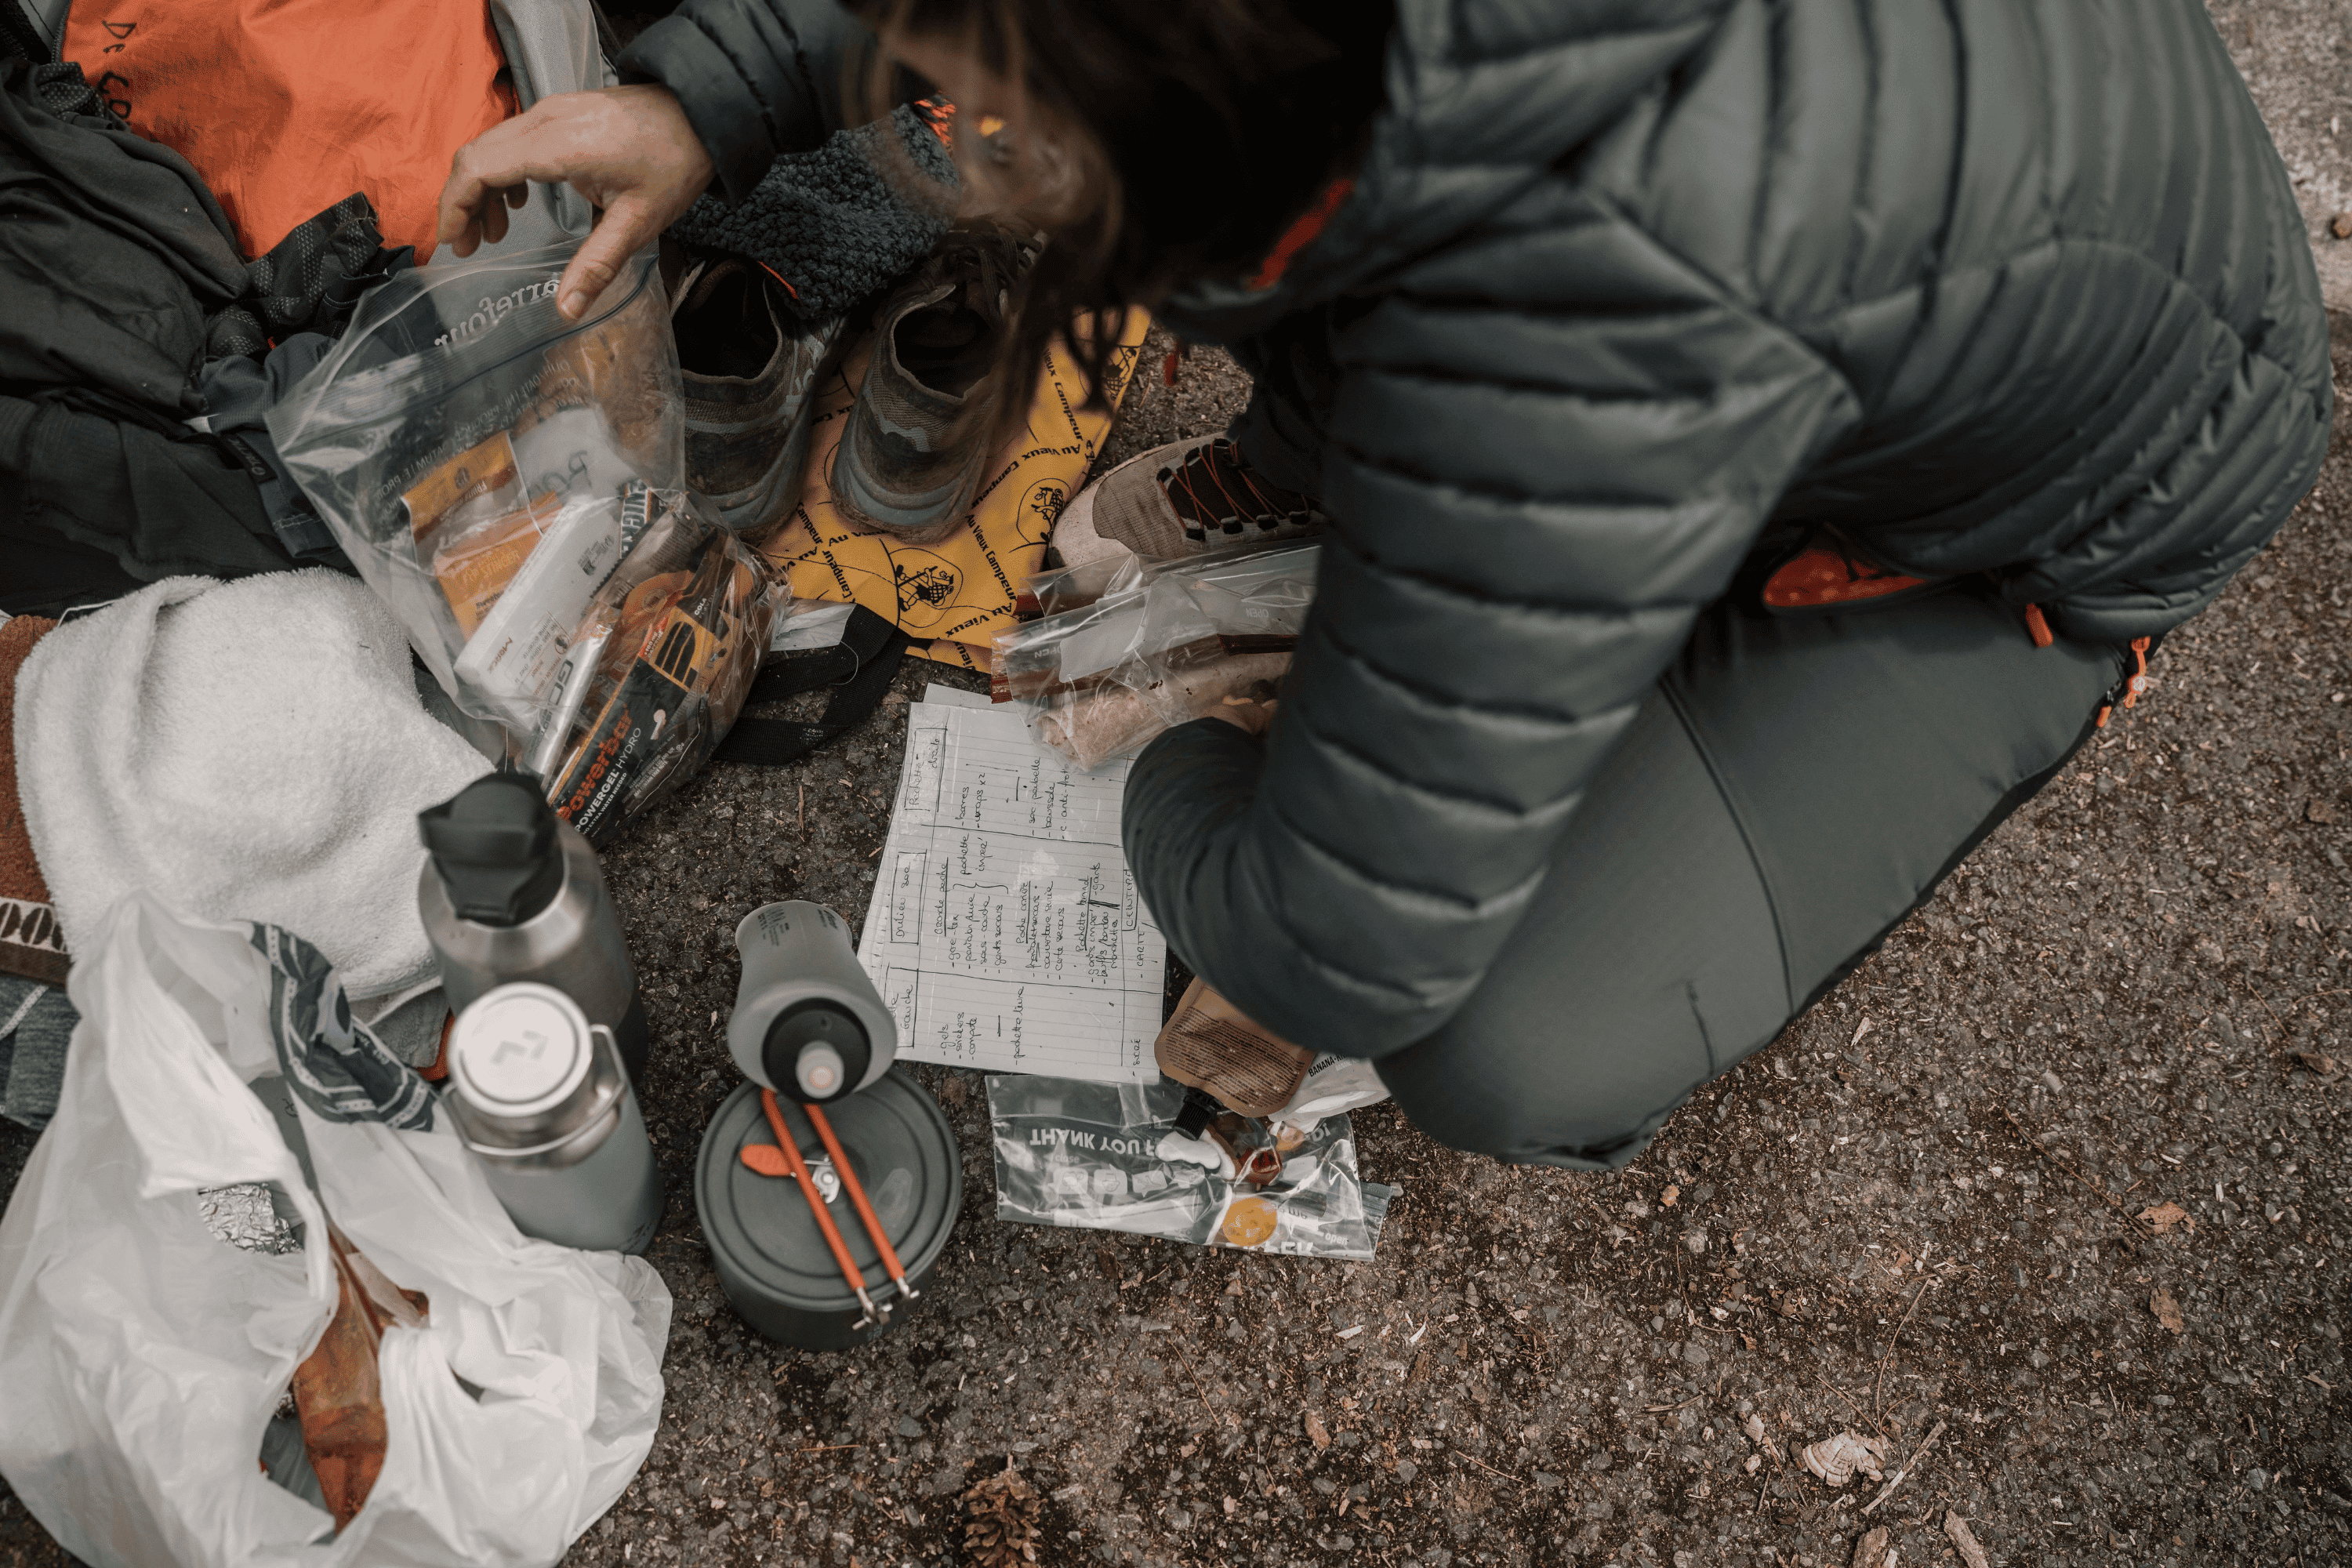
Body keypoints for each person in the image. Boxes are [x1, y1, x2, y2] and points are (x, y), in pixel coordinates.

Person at [439, 0, 2330, 1169]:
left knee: (1508, 1038)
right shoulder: (1386, 108)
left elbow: (1335, 944)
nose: (974, 133)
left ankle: (1725, 631)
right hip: (1887, 257)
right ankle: (1379, 491)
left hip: (2036, 524)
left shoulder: (1584, 315)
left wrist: (1190, 770)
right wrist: (720, 92)